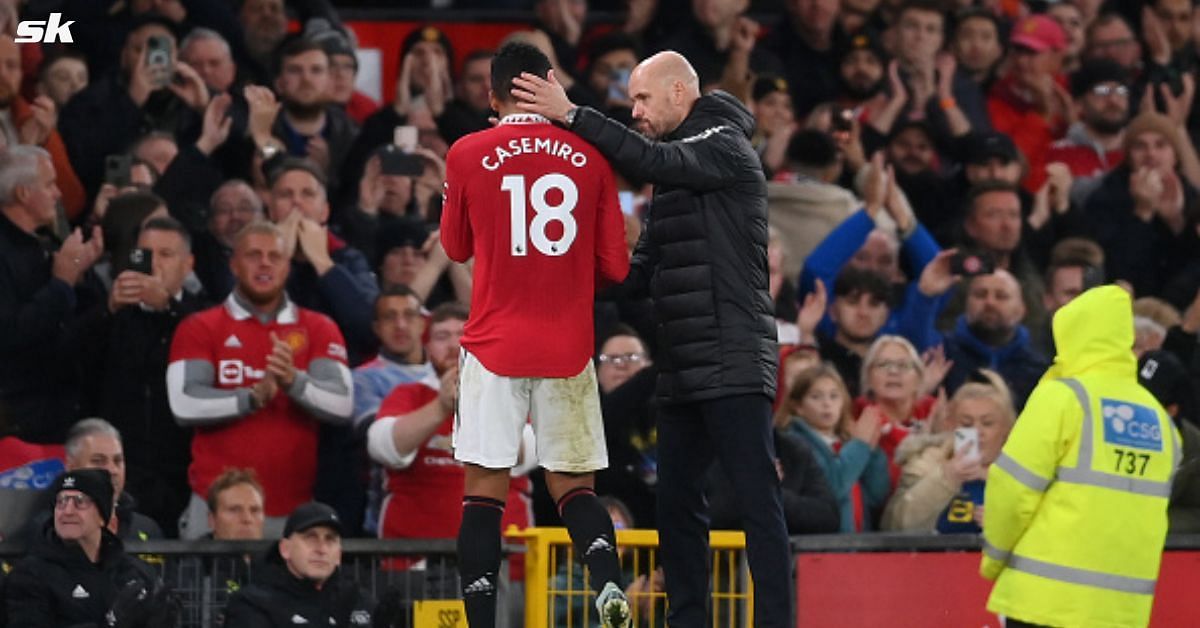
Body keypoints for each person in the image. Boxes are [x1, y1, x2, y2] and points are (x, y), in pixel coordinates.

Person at [513, 49, 792, 627]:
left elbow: (650, 159)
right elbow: (636, 277)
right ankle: (687, 619)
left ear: (677, 93)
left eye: (642, 98)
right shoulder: (675, 178)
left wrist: (573, 114)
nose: (634, 109)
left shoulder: (723, 144)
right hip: (682, 364)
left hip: (735, 358)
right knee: (676, 507)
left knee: (756, 502)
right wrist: (560, 272)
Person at [441, 42, 631, 628]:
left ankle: (479, 620)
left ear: (489, 93)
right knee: (574, 486)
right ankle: (607, 584)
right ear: (550, 84)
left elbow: (455, 248)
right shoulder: (591, 156)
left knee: (483, 493)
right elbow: (617, 269)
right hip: (568, 345)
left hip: (495, 343)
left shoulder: (468, 152)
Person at [980, 286, 1181, 628]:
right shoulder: (1160, 421)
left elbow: (1012, 491)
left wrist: (993, 558)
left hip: (1043, 603)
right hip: (1121, 612)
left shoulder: (1063, 398)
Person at [167, 221, 353, 539]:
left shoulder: (319, 328)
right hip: (215, 509)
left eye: (275, 256)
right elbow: (184, 403)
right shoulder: (200, 327)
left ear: (287, 267)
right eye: (253, 255)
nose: (265, 263)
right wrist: (251, 398)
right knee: (207, 591)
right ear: (234, 265)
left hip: (292, 509)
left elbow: (342, 403)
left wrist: (293, 381)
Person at [71, 217, 206, 534]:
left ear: (188, 264)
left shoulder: (202, 316)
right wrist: (108, 309)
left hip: (182, 470)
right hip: (121, 471)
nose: (153, 264)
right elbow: (69, 362)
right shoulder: (114, 313)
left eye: (166, 254)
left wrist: (168, 308)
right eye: (145, 254)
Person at [0, 145, 102, 443]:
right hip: (20, 419)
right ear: (22, 193)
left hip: (64, 405)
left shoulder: (46, 241)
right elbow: (9, 335)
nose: (58, 193)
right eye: (49, 184)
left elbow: (74, 321)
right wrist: (61, 284)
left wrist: (85, 276)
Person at [5, 469, 178, 628]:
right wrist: (111, 623)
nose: (68, 511)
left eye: (80, 502)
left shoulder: (136, 573)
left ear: (103, 517)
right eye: (61, 501)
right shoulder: (30, 576)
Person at [882, 374, 1016, 532]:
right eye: (967, 424)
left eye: (987, 423)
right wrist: (946, 478)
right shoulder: (924, 464)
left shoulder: (1027, 472)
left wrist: (1008, 527)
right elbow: (895, 525)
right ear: (951, 425)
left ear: (1006, 429)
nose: (977, 431)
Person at [221, 502, 375, 627]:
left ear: (339, 555)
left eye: (330, 539)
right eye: (310, 538)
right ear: (285, 549)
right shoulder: (252, 604)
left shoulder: (359, 601)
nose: (321, 549)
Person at [777, 364, 888, 532]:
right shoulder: (793, 443)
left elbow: (876, 495)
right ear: (798, 406)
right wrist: (860, 445)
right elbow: (832, 489)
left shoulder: (850, 443)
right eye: (816, 397)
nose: (827, 404)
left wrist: (873, 452)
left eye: (834, 396)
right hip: (822, 548)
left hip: (859, 545)